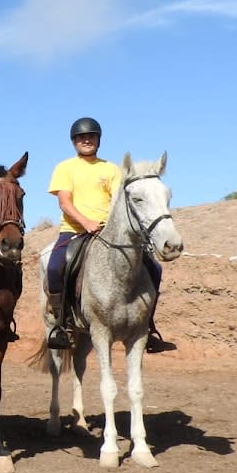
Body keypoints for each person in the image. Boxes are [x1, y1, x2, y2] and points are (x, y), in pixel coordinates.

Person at [45, 117, 173, 352]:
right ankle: (62, 324)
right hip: (74, 230)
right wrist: (85, 222)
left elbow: (120, 202)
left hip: (108, 232)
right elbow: (65, 202)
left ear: (98, 140)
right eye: (82, 137)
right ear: (74, 141)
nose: (87, 140)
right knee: (55, 267)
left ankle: (148, 325)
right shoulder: (65, 167)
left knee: (155, 268)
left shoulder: (112, 169)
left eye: (91, 136)